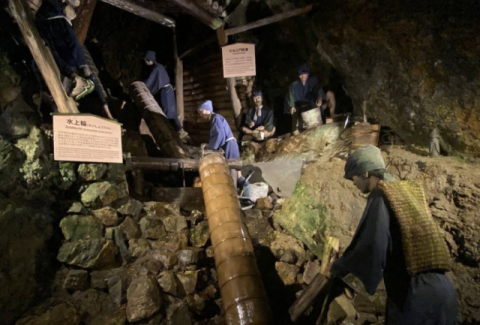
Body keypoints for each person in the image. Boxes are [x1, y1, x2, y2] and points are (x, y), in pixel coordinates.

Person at [330, 145, 458, 325]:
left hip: (417, 295)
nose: (353, 182)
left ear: (366, 173)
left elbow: (370, 246)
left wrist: (337, 267)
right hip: (444, 291)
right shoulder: (409, 191)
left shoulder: (380, 195)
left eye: (354, 176)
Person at [197, 100, 248, 189]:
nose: (200, 115)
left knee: (234, 173)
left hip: (229, 146)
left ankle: (246, 190)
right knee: (236, 173)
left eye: (200, 112)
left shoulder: (216, 118)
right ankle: (246, 190)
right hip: (230, 145)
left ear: (205, 110)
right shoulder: (215, 118)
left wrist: (210, 148)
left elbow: (219, 134)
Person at [143, 51, 187, 139]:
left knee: (169, 112)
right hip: (166, 91)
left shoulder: (157, 69)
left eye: (145, 60)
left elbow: (149, 82)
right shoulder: (158, 67)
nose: (145, 62)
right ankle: (178, 131)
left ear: (149, 60)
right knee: (169, 112)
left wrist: (141, 85)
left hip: (165, 92)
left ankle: (178, 132)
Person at [285, 63, 325, 134]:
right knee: (296, 130)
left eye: (305, 73)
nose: (303, 76)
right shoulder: (294, 86)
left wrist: (319, 98)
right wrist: (291, 107)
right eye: (301, 74)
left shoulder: (313, 81)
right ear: (299, 75)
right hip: (300, 108)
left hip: (313, 107)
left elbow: (319, 90)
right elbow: (290, 98)